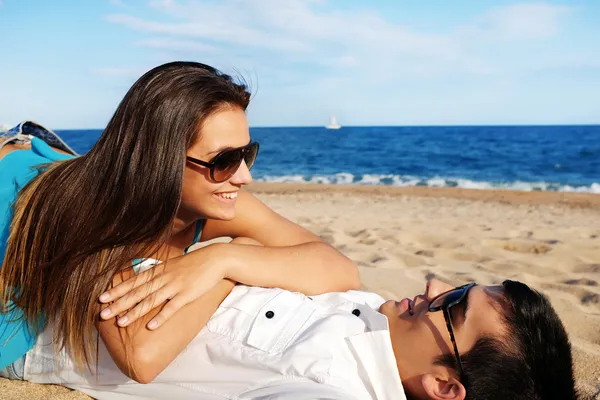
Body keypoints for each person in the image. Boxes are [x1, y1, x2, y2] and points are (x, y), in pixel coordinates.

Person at [0, 62, 359, 375]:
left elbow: (342, 270)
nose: (244, 176)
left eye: (247, 153)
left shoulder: (212, 201)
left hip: (63, 160)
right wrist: (235, 260)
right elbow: (139, 356)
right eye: (223, 161)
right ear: (162, 163)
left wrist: (224, 258)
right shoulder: (99, 212)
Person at [7, 278, 577, 400]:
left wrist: (218, 269)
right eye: (463, 283)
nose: (433, 284)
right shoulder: (375, 315)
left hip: (34, 315)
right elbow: (320, 258)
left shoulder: (333, 390)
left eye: (453, 303)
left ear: (444, 385)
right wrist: (225, 259)